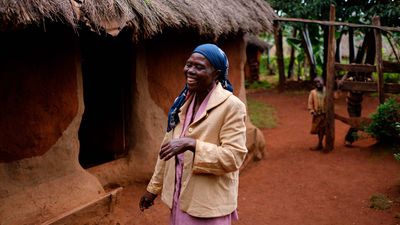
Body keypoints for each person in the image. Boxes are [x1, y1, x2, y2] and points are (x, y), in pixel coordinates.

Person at [139, 43, 248, 225]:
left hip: (207, 206)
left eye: (199, 67)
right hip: (179, 200)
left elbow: (234, 157)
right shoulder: (181, 102)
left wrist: (192, 144)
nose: (190, 71)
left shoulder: (232, 107)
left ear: (217, 74)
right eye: (189, 64)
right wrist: (153, 189)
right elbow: (167, 149)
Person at [308, 77, 327, 151]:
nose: (318, 84)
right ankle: (320, 143)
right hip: (317, 114)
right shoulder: (313, 92)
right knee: (318, 129)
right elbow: (310, 103)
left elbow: (334, 97)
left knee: (324, 128)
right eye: (316, 83)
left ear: (323, 82)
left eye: (319, 82)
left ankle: (321, 143)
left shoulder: (327, 91)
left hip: (325, 114)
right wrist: (312, 111)